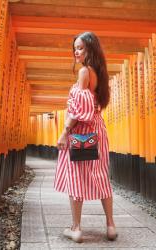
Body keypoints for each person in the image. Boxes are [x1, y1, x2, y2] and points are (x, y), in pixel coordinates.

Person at [54, 31, 117, 243]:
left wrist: (65, 132)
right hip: (98, 128)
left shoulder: (84, 72)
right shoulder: (101, 73)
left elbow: (79, 109)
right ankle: (110, 226)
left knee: (76, 177)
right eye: (75, 48)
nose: (76, 51)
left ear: (91, 49)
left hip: (82, 131)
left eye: (80, 48)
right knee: (100, 175)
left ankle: (76, 228)